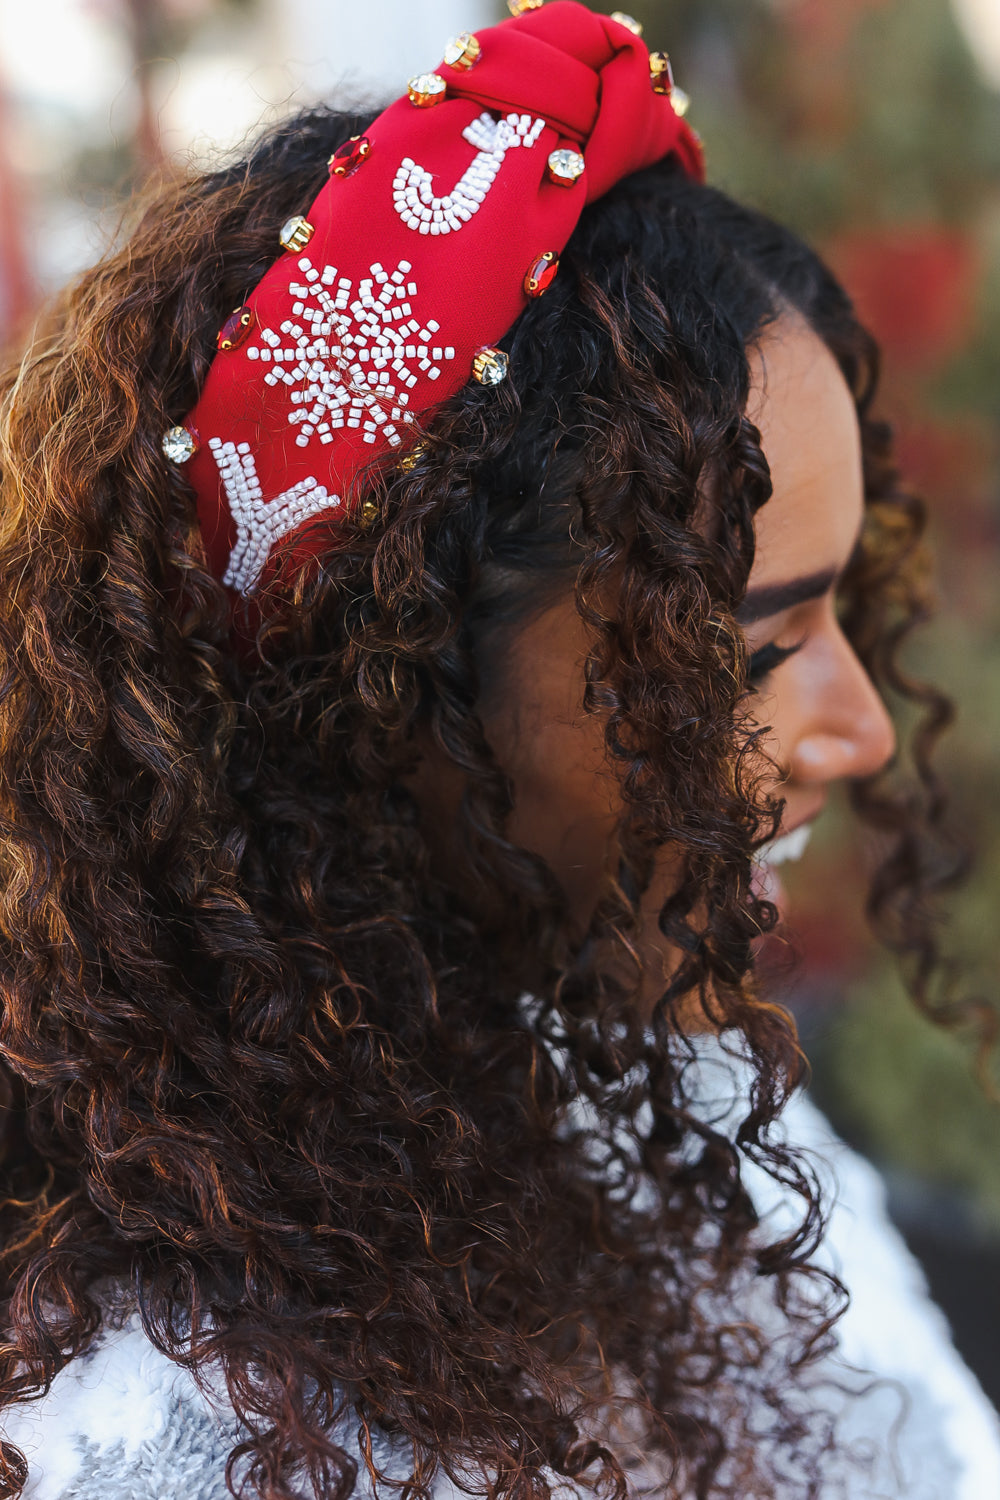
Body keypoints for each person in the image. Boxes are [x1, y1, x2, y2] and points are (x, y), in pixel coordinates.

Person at [0, 4, 995, 1497]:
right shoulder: (169, 1438)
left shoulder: (646, 1096)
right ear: (391, 688)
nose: (860, 728)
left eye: (845, 610)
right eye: (751, 647)